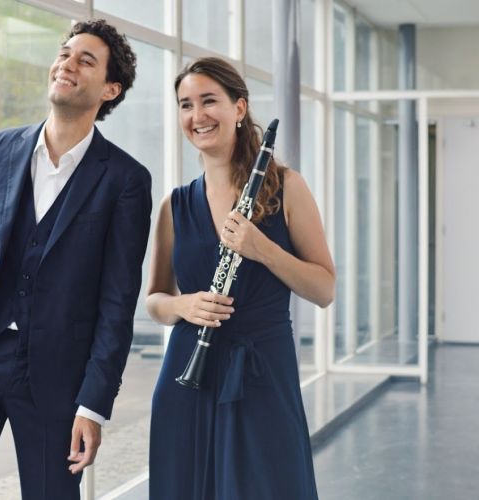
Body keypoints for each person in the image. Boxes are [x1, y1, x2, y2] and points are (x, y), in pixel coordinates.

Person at [0, 19, 152, 500]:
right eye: (65, 53)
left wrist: (94, 403)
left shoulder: (126, 179)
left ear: (110, 89)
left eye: (85, 59)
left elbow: (117, 301)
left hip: (58, 378)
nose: (67, 62)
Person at [147, 57, 335, 499]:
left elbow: (324, 290)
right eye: (186, 105)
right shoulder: (172, 206)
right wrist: (181, 305)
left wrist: (262, 249)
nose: (198, 116)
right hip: (186, 374)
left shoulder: (287, 186)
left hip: (262, 372)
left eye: (209, 100)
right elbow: (154, 299)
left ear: (239, 108)